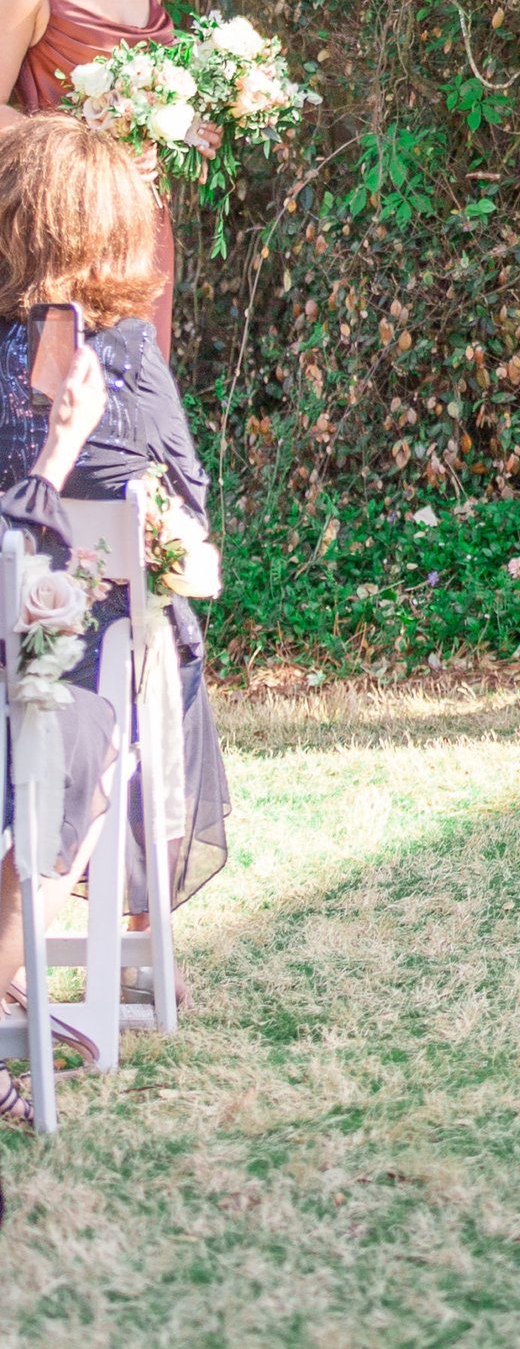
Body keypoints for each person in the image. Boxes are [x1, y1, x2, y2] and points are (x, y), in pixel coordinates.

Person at [0, 120, 230, 1123]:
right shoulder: (123, 361)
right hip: (58, 671)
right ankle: (106, 932)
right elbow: (177, 516)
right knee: (124, 682)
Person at [0, 0, 179, 353]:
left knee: (142, 403)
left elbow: (160, 101)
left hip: (144, 224)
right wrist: (91, 150)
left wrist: (189, 131)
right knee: (70, 407)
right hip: (64, 231)